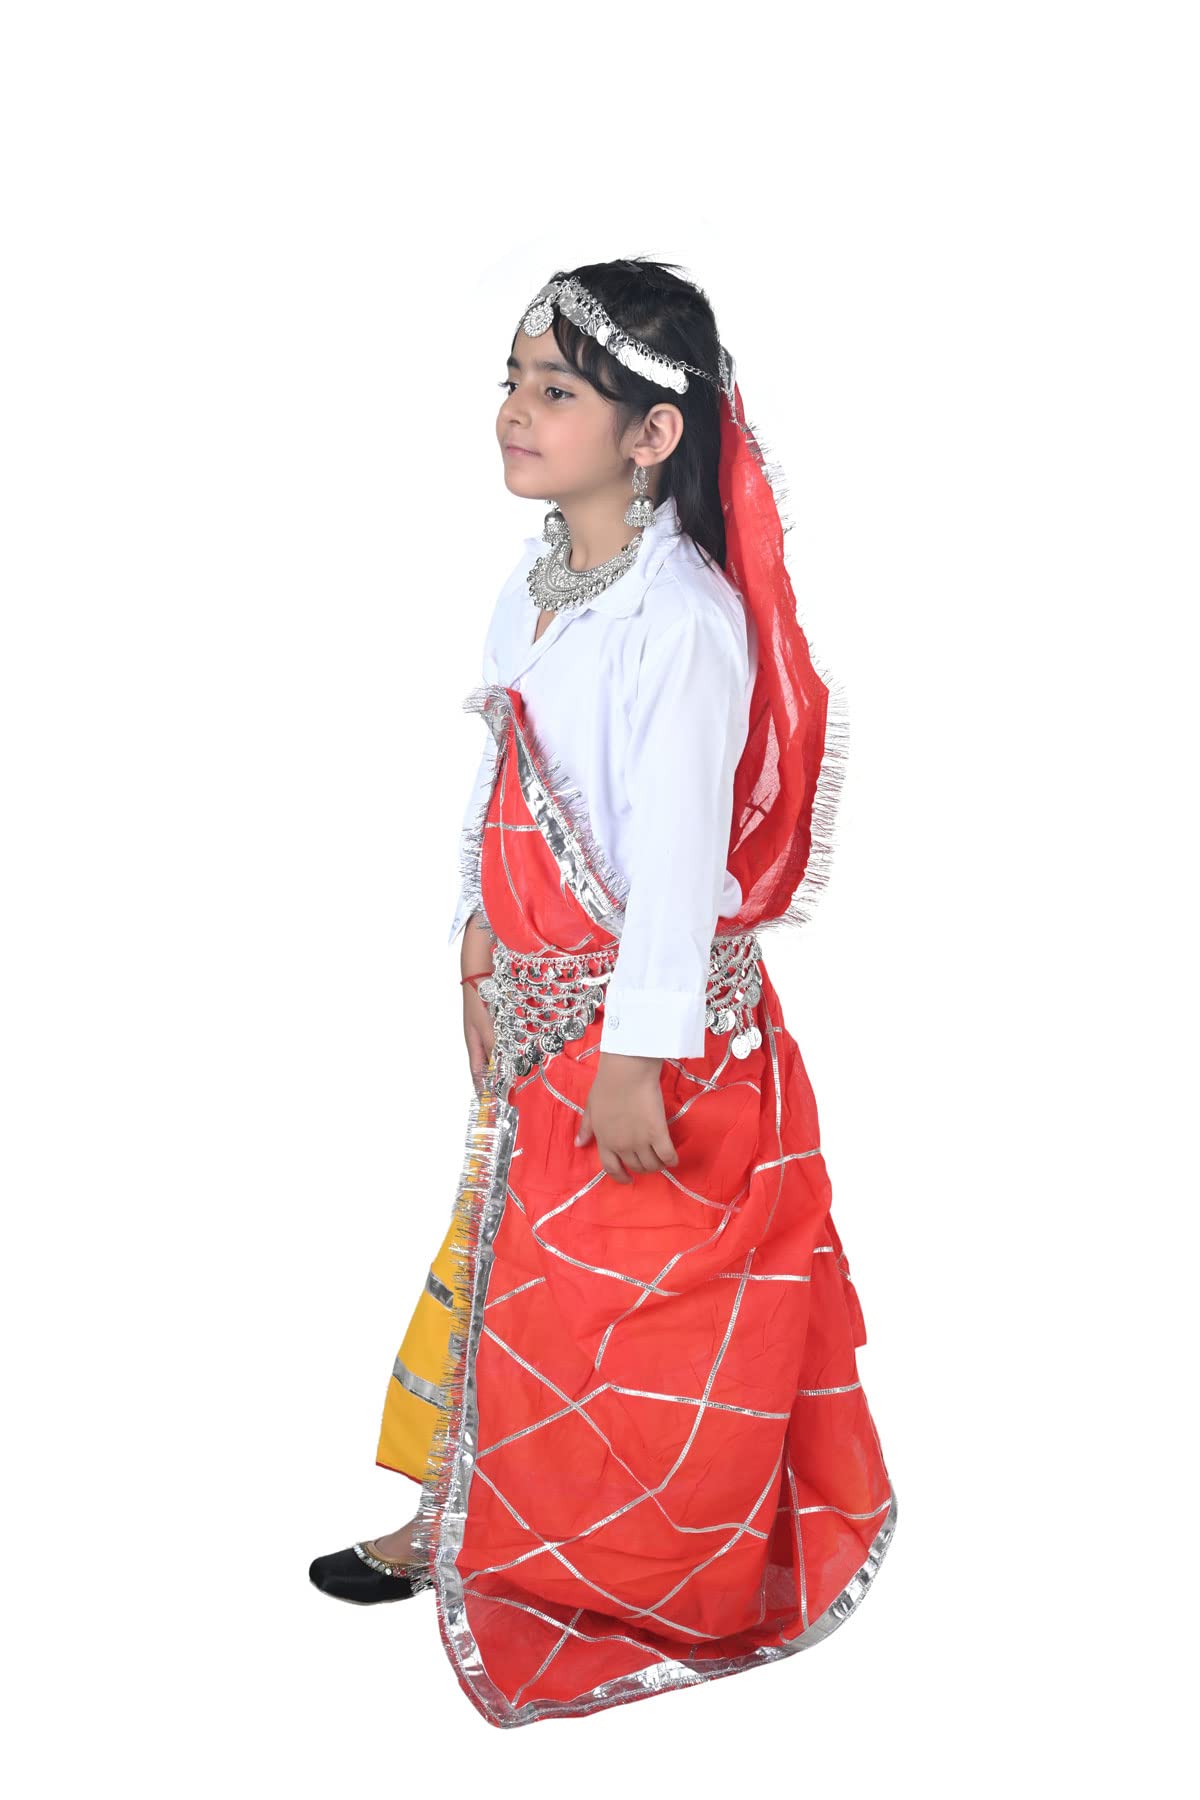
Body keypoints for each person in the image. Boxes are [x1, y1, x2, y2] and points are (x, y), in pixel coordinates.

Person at [309, 259, 897, 1727]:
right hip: (541, 1016)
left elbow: (682, 853)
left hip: (651, 1045)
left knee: (629, 1317)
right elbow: (507, 774)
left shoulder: (678, 619)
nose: (515, 412)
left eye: (556, 390)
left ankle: (640, 1564)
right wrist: (473, 941)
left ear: (653, 434)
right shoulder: (540, 584)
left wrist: (637, 1056)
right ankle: (454, 1523)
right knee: (507, 1278)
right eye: (511, 382)